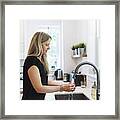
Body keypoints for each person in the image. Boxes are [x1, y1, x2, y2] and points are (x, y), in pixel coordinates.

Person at [22, 32, 75, 100]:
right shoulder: (32, 61)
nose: (49, 47)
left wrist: (64, 84)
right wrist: (62, 88)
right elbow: (39, 88)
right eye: (46, 45)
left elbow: (45, 81)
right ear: (38, 45)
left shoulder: (40, 60)